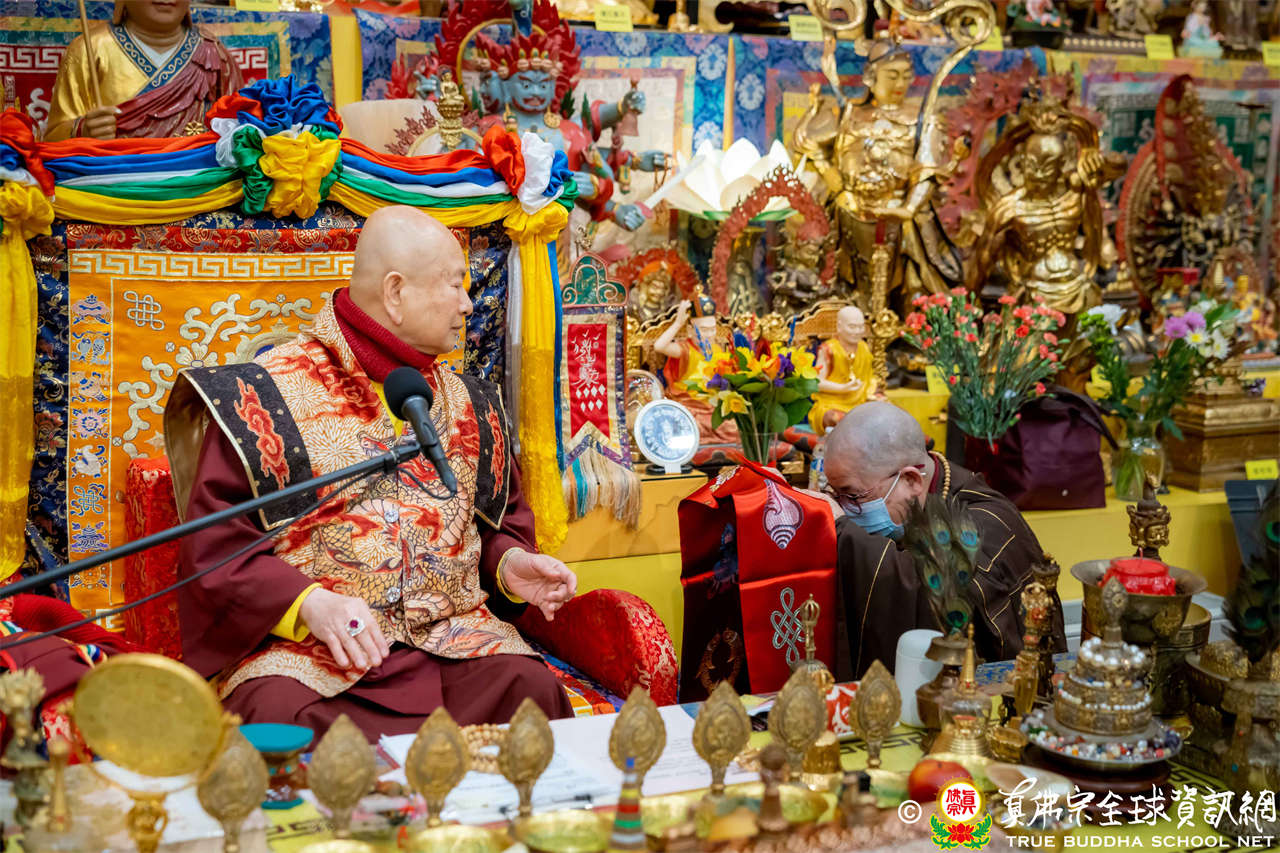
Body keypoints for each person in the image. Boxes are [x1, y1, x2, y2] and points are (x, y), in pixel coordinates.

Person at [164, 205, 576, 740]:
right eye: (455, 285)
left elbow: (495, 527)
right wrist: (308, 605)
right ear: (396, 292)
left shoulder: (470, 402)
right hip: (318, 656)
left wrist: (510, 565)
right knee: (272, 715)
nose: (467, 304)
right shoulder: (263, 396)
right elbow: (216, 549)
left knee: (530, 690)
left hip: (452, 642)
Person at [817, 402, 1065, 679]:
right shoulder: (925, 489)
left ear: (911, 480)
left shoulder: (987, 525)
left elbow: (931, 596)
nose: (844, 507)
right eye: (834, 493)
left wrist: (843, 530)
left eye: (852, 496)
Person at [45, 0, 243, 141]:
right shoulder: (90, 49)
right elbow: (52, 136)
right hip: (116, 180)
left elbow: (241, 126)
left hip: (197, 179)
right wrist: (83, 130)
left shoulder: (212, 53)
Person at [808, 305, 874, 436]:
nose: (857, 331)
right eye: (852, 327)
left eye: (861, 327)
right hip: (832, 403)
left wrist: (873, 393)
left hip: (860, 402)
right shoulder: (829, 349)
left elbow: (870, 378)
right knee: (834, 418)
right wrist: (843, 388)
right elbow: (817, 382)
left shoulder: (864, 348)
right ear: (839, 327)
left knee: (890, 411)